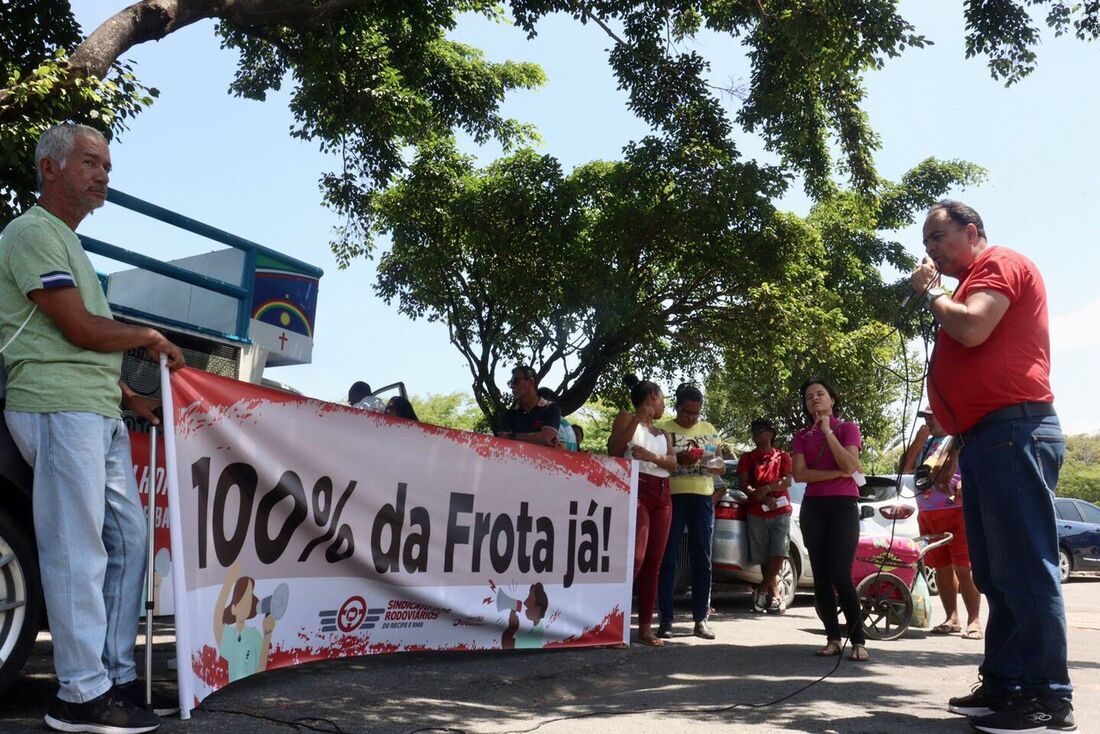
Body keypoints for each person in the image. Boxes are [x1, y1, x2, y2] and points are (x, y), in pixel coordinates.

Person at [0, 123, 186, 733]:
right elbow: (78, 330)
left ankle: (113, 676)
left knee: (128, 540)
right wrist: (148, 337)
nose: (104, 174)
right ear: (50, 169)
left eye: (106, 164)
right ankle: (79, 696)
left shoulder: (68, 242)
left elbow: (85, 349)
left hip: (95, 410)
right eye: (89, 162)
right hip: (55, 408)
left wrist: (130, 396)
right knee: (77, 548)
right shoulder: (31, 232)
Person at [910, 200, 1073, 733]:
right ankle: (1005, 685)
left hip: (1016, 432)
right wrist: (955, 447)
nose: (930, 248)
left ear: (971, 231)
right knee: (995, 575)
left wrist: (933, 291)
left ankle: (1048, 698)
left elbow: (974, 330)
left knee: (1025, 570)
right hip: (984, 439)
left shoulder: (999, 263)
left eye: (938, 236)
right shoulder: (966, 282)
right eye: (927, 240)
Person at [791, 377, 869, 662]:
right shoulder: (801, 436)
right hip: (813, 508)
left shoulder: (847, 428)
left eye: (820, 394)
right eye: (809, 396)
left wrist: (827, 433)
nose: (814, 399)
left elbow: (851, 464)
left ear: (832, 399)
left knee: (841, 575)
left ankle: (858, 640)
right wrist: (836, 474)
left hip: (843, 507)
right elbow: (800, 475)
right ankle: (833, 638)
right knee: (821, 579)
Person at [900, 406, 982, 639]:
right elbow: (905, 468)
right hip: (928, 513)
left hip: (957, 511)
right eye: (925, 417)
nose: (928, 420)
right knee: (941, 569)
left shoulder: (959, 440)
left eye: (932, 416)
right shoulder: (925, 442)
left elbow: (974, 469)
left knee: (963, 568)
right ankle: (951, 618)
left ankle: (974, 621)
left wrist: (964, 484)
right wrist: (918, 440)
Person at [607, 375, 676, 646]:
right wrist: (637, 417)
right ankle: (613, 622)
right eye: (662, 399)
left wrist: (652, 457)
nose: (663, 405)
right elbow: (614, 449)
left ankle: (645, 628)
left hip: (663, 491)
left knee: (654, 562)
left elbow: (672, 463)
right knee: (635, 557)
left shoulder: (663, 433)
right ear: (652, 396)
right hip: (637, 486)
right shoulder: (626, 418)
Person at [655, 383, 724, 640]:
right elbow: (659, 464)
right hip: (672, 496)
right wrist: (678, 459)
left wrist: (707, 460)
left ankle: (701, 619)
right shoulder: (665, 430)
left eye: (696, 414)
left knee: (702, 558)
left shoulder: (708, 430)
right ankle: (666, 620)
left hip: (703, 496)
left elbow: (721, 466)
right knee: (668, 557)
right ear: (678, 408)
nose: (691, 418)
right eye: (686, 413)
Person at [738, 417, 793, 615]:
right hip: (756, 512)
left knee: (779, 552)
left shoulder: (783, 455)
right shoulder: (747, 457)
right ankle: (775, 596)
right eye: (754, 431)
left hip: (781, 510)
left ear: (771, 433)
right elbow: (744, 484)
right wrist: (760, 498)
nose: (757, 434)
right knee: (764, 556)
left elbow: (787, 481)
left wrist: (769, 488)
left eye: (761, 430)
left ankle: (761, 590)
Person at [213, 563, 276, 682]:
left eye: (248, 601)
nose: (245, 605)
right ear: (233, 608)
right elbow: (217, 619)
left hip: (252, 689)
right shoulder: (228, 634)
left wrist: (268, 634)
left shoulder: (255, 635)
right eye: (242, 601)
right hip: (233, 690)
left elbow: (261, 668)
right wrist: (229, 582)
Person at [497, 366, 560, 447]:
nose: (512, 386)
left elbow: (547, 438)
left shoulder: (551, 408)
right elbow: (503, 442)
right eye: (510, 383)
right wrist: (539, 437)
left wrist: (512, 436)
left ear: (530, 381)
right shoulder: (508, 415)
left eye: (515, 381)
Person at [501, 583, 549, 650]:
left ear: (538, 608)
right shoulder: (538, 630)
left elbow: (507, 644)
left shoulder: (533, 637)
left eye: (530, 598)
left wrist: (512, 628)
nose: (525, 602)